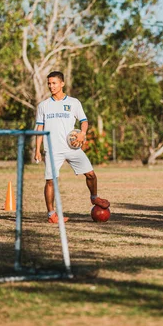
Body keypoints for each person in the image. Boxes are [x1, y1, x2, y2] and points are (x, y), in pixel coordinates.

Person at [34, 71, 109, 224]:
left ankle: (94, 197)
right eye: (49, 83)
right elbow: (39, 129)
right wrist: (37, 149)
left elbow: (84, 121)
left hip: (72, 147)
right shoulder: (43, 106)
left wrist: (82, 133)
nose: (51, 86)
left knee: (91, 174)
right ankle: (51, 214)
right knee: (50, 181)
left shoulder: (74, 103)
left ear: (62, 84)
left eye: (54, 83)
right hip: (52, 150)